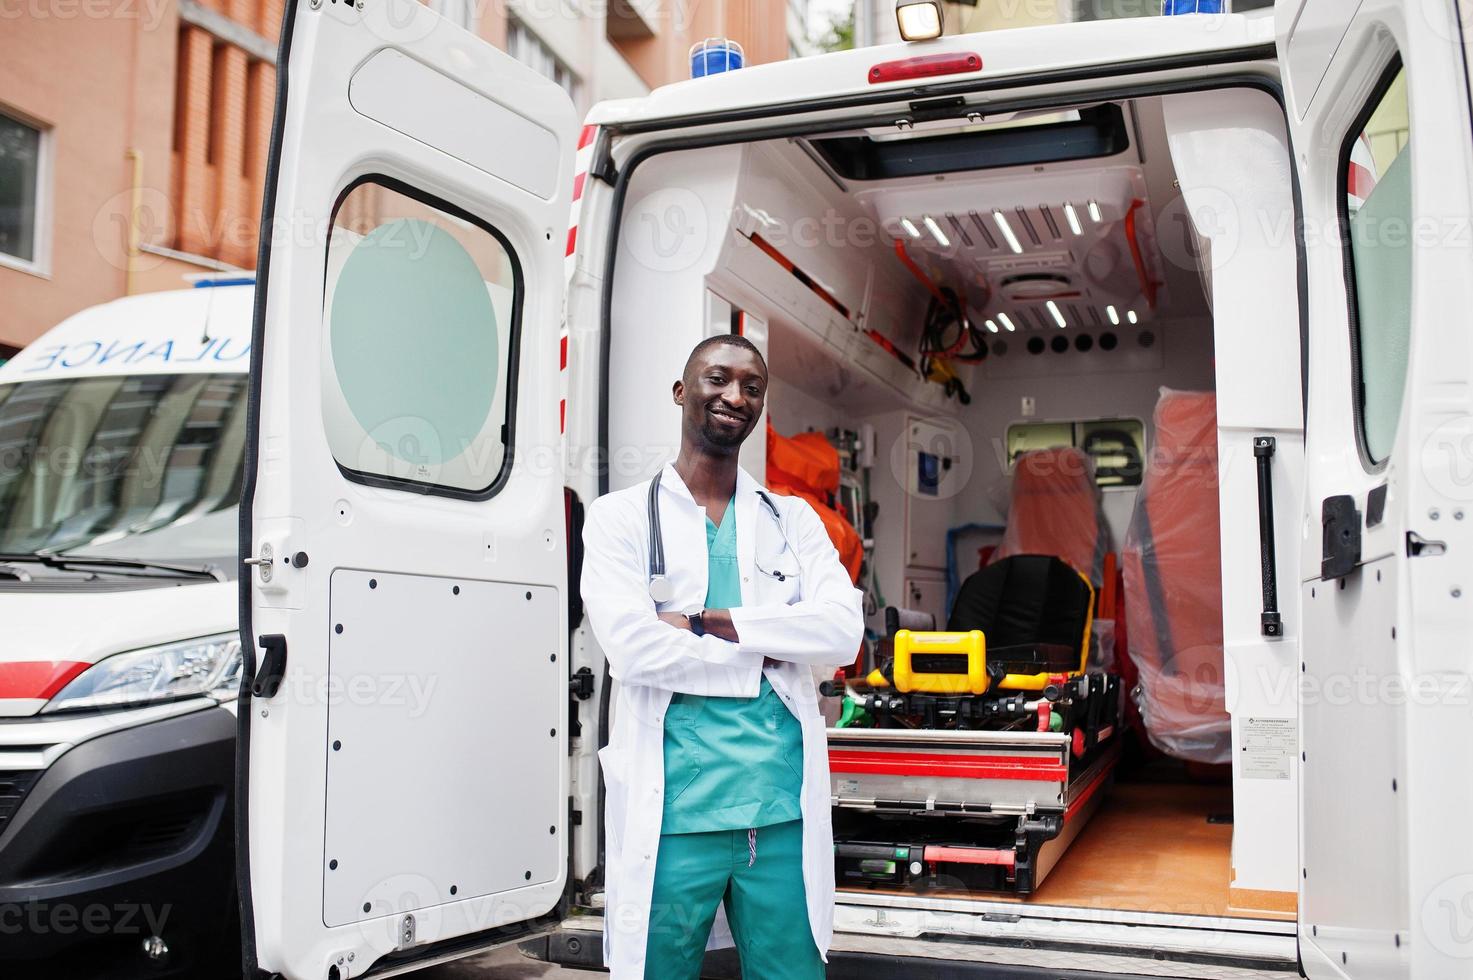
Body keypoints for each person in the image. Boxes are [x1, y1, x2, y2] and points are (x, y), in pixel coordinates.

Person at [582, 334, 864, 979]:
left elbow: (840, 633)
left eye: (752, 387)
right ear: (682, 392)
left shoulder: (793, 520)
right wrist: (768, 652)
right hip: (677, 813)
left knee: (790, 971)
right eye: (718, 379)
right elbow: (632, 648)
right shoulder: (621, 517)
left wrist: (710, 623)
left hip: (779, 809)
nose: (735, 396)